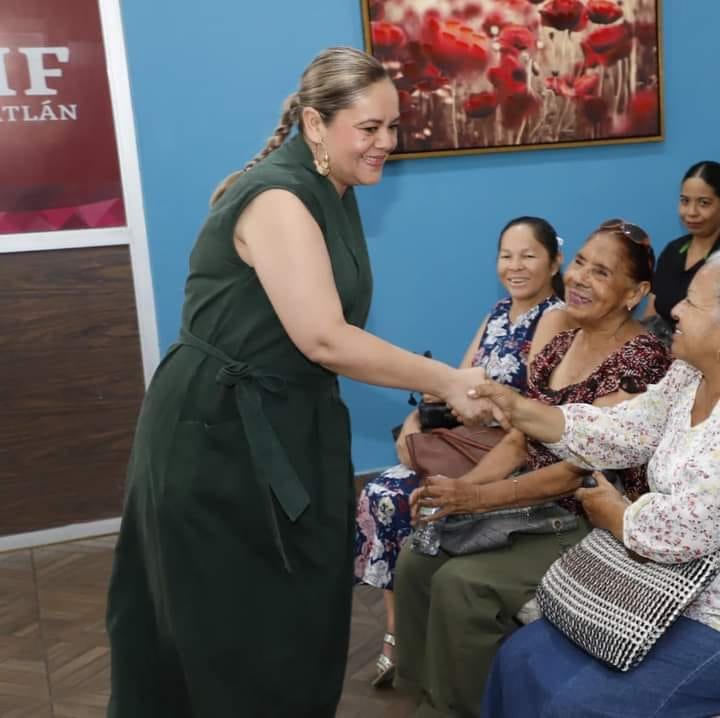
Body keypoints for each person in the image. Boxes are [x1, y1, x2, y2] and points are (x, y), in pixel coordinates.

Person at [104, 48, 491, 717]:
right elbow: (323, 337)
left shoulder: (334, 189)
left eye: (393, 128)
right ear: (315, 124)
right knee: (230, 628)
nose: (385, 144)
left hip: (289, 420)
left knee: (292, 616)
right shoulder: (279, 199)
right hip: (217, 434)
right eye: (368, 128)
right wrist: (445, 379)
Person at [477, 248, 720, 717]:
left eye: (693, 303)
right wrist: (521, 410)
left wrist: (614, 512)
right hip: (664, 594)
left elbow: (681, 529)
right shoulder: (690, 376)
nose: (674, 308)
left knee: (573, 706)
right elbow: (624, 430)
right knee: (519, 658)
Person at [393, 220, 672, 718]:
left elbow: (578, 469)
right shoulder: (561, 345)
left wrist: (477, 499)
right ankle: (424, 693)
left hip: (588, 518)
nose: (581, 279)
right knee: (418, 555)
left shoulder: (642, 357)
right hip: (530, 504)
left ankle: (460, 708)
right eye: (581, 262)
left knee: (463, 585)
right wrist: (458, 488)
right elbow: (520, 442)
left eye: (602, 272)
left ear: (635, 293)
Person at [357, 216, 566, 688]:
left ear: (554, 262)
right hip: (470, 440)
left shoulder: (555, 317)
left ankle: (418, 638)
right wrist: (434, 407)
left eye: (528, 255)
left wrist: (476, 404)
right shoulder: (496, 313)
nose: (515, 266)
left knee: (401, 497)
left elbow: (532, 406)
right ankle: (400, 631)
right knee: (381, 492)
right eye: (506, 255)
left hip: (509, 452)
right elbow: (461, 381)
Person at [643, 161, 720, 342]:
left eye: (703, 203)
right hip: (662, 354)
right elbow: (651, 314)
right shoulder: (673, 251)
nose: (691, 212)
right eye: (685, 201)